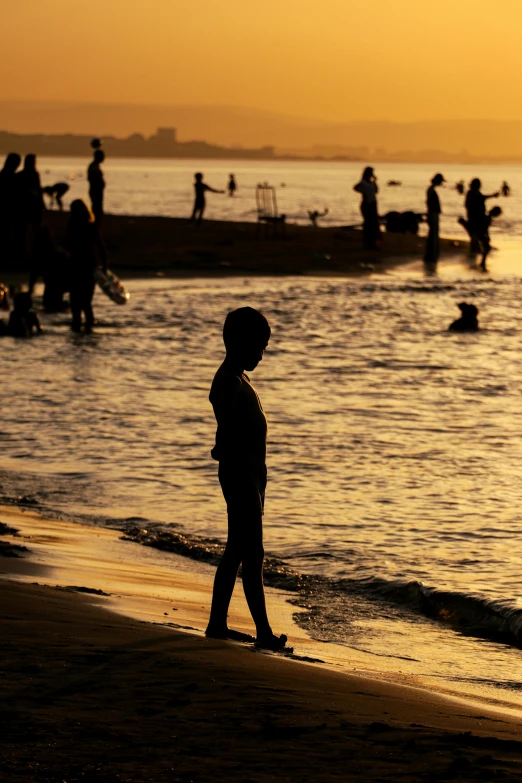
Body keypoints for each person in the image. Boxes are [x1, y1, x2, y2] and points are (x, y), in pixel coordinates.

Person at [206, 306, 290, 651]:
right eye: (259, 347)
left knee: (240, 551)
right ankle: (263, 632)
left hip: (250, 479)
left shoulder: (240, 379)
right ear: (239, 340)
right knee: (250, 554)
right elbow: (225, 422)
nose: (260, 355)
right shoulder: (229, 381)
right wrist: (221, 446)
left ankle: (219, 623)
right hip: (240, 476)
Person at [67, 199, 106, 333]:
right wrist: (104, 266)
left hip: (78, 266)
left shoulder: (74, 225)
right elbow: (100, 247)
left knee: (76, 300)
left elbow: (69, 245)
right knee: (85, 300)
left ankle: (77, 324)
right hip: (87, 266)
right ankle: (88, 325)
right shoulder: (90, 226)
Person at [16, 154, 45, 263]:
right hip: (31, 207)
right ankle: (32, 253)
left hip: (24, 207)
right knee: (34, 231)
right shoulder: (34, 174)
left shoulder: (19, 175)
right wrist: (42, 205)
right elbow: (38, 190)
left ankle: (24, 252)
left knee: (23, 232)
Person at [465, 179, 499, 253]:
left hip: (477, 217)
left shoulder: (475, 193)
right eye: (479, 185)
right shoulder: (471, 193)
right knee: (475, 234)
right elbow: (480, 199)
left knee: (476, 234)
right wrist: (493, 195)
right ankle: (474, 249)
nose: (480, 186)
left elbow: (481, 198)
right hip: (474, 218)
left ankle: (475, 249)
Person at [0, 153, 21, 261]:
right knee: (6, 233)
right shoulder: (9, 175)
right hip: (8, 210)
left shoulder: (5, 174)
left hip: (7, 209)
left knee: (6, 233)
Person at [353, 166, 380, 250]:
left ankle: (373, 242)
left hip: (373, 203)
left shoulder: (371, 182)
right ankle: (367, 242)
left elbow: (376, 191)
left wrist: (375, 181)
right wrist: (363, 192)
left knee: (374, 223)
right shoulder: (363, 182)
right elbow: (355, 187)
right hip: (366, 204)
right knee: (368, 223)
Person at [424, 173, 445, 264]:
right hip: (433, 214)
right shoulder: (431, 190)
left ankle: (431, 256)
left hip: (433, 214)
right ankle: (432, 256)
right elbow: (430, 203)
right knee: (433, 235)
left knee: (432, 235)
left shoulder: (431, 190)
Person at [87, 148, 106, 227]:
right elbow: (91, 178)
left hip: (97, 191)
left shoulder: (96, 166)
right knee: (96, 210)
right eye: (102, 156)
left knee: (97, 209)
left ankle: (96, 227)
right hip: (95, 191)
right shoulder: (93, 166)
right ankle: (94, 227)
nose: (104, 158)